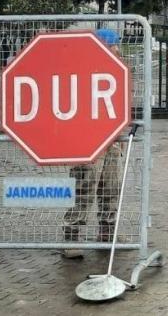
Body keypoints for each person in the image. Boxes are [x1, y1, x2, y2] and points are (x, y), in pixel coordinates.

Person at [62, 27, 124, 259]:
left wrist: (120, 136)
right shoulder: (82, 74)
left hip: (111, 140)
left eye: (116, 45)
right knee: (84, 188)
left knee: (111, 187)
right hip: (87, 142)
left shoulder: (116, 72)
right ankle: (71, 236)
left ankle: (107, 233)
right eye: (112, 45)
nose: (117, 50)